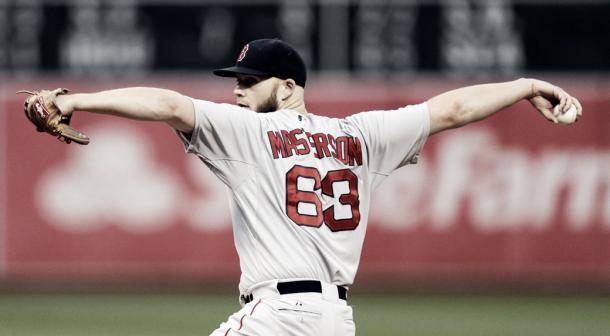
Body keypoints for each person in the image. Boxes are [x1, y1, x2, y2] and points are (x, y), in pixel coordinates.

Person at [51, 38, 581, 335]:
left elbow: (168, 105)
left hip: (277, 317)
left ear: (286, 88)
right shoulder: (363, 136)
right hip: (335, 320)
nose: (236, 92)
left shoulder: (251, 132)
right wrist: (524, 85)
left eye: (247, 82)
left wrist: (76, 100)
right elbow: (454, 109)